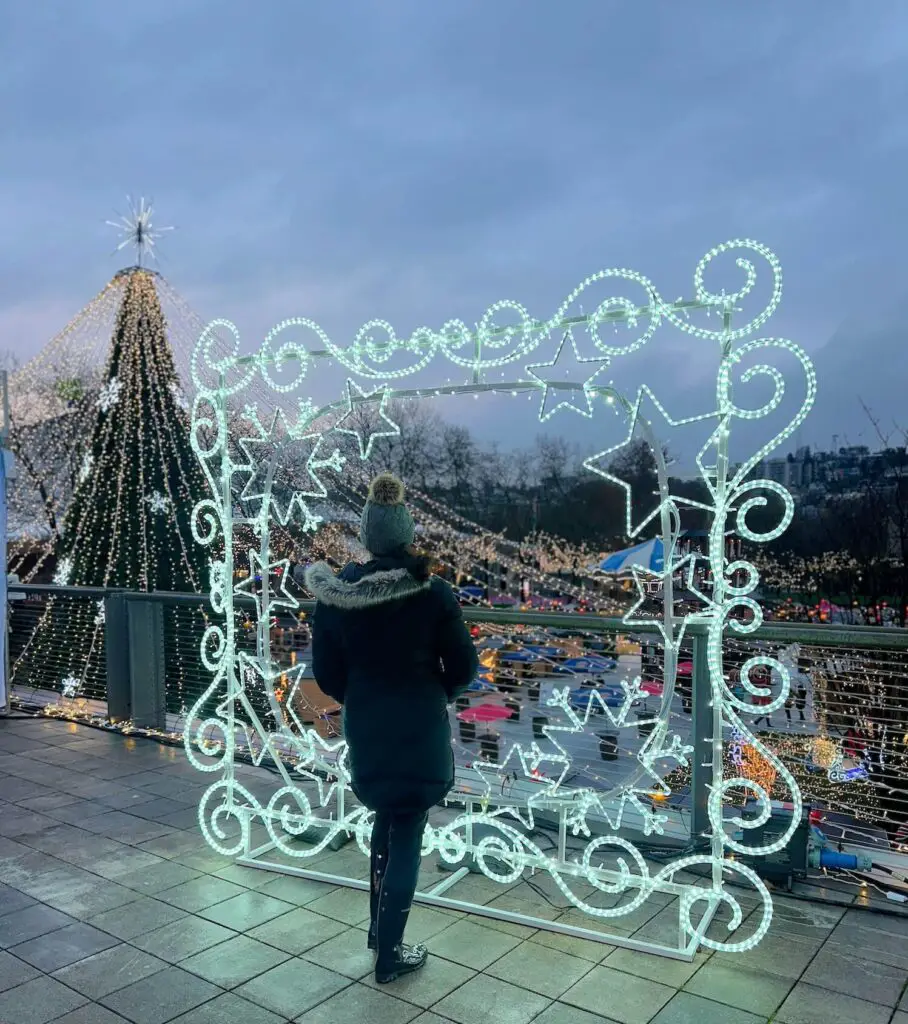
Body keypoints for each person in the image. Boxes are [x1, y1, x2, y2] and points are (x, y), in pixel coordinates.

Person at [305, 473, 479, 984]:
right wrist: (437, 693)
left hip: (368, 724)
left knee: (386, 817)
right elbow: (464, 667)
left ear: (367, 537)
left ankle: (379, 934)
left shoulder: (337, 597)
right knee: (407, 829)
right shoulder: (432, 592)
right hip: (420, 726)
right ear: (406, 535)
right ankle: (390, 953)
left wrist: (361, 699)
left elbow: (329, 673)